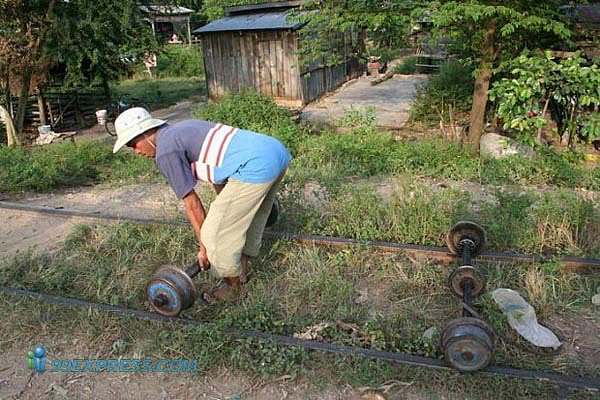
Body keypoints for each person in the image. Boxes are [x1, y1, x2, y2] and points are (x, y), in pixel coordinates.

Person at [113, 108, 291, 302]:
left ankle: (234, 289)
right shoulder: (182, 129)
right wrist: (231, 215)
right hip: (275, 152)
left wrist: (204, 246)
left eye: (132, 144)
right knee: (251, 216)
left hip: (255, 165)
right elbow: (220, 170)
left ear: (145, 133)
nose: (136, 151)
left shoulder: (165, 152)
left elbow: (192, 204)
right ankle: (242, 269)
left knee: (214, 234)